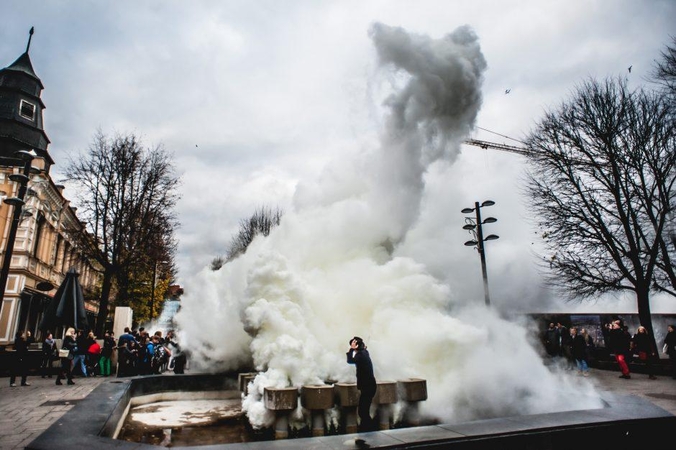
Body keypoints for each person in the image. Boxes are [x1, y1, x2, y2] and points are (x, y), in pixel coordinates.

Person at [347, 336, 377, 432]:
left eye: (353, 344)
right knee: (364, 411)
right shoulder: (364, 353)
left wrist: (351, 349)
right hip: (369, 386)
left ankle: (370, 429)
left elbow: (350, 360)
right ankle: (368, 429)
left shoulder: (360, 355)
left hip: (368, 387)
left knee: (362, 412)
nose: (351, 345)